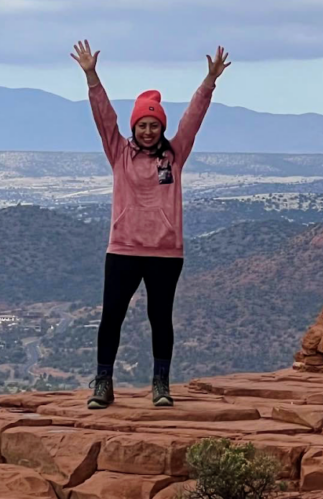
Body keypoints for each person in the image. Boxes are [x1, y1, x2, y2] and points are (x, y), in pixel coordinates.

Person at [71, 39, 231, 409]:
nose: (147, 131)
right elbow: (104, 117)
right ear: (134, 127)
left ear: (161, 127)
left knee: (161, 318)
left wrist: (209, 81)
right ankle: (103, 383)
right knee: (111, 316)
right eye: (142, 124)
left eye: (153, 124)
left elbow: (193, 118)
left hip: (165, 252)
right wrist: (92, 76)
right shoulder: (119, 153)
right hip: (123, 248)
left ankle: (160, 384)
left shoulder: (174, 155)